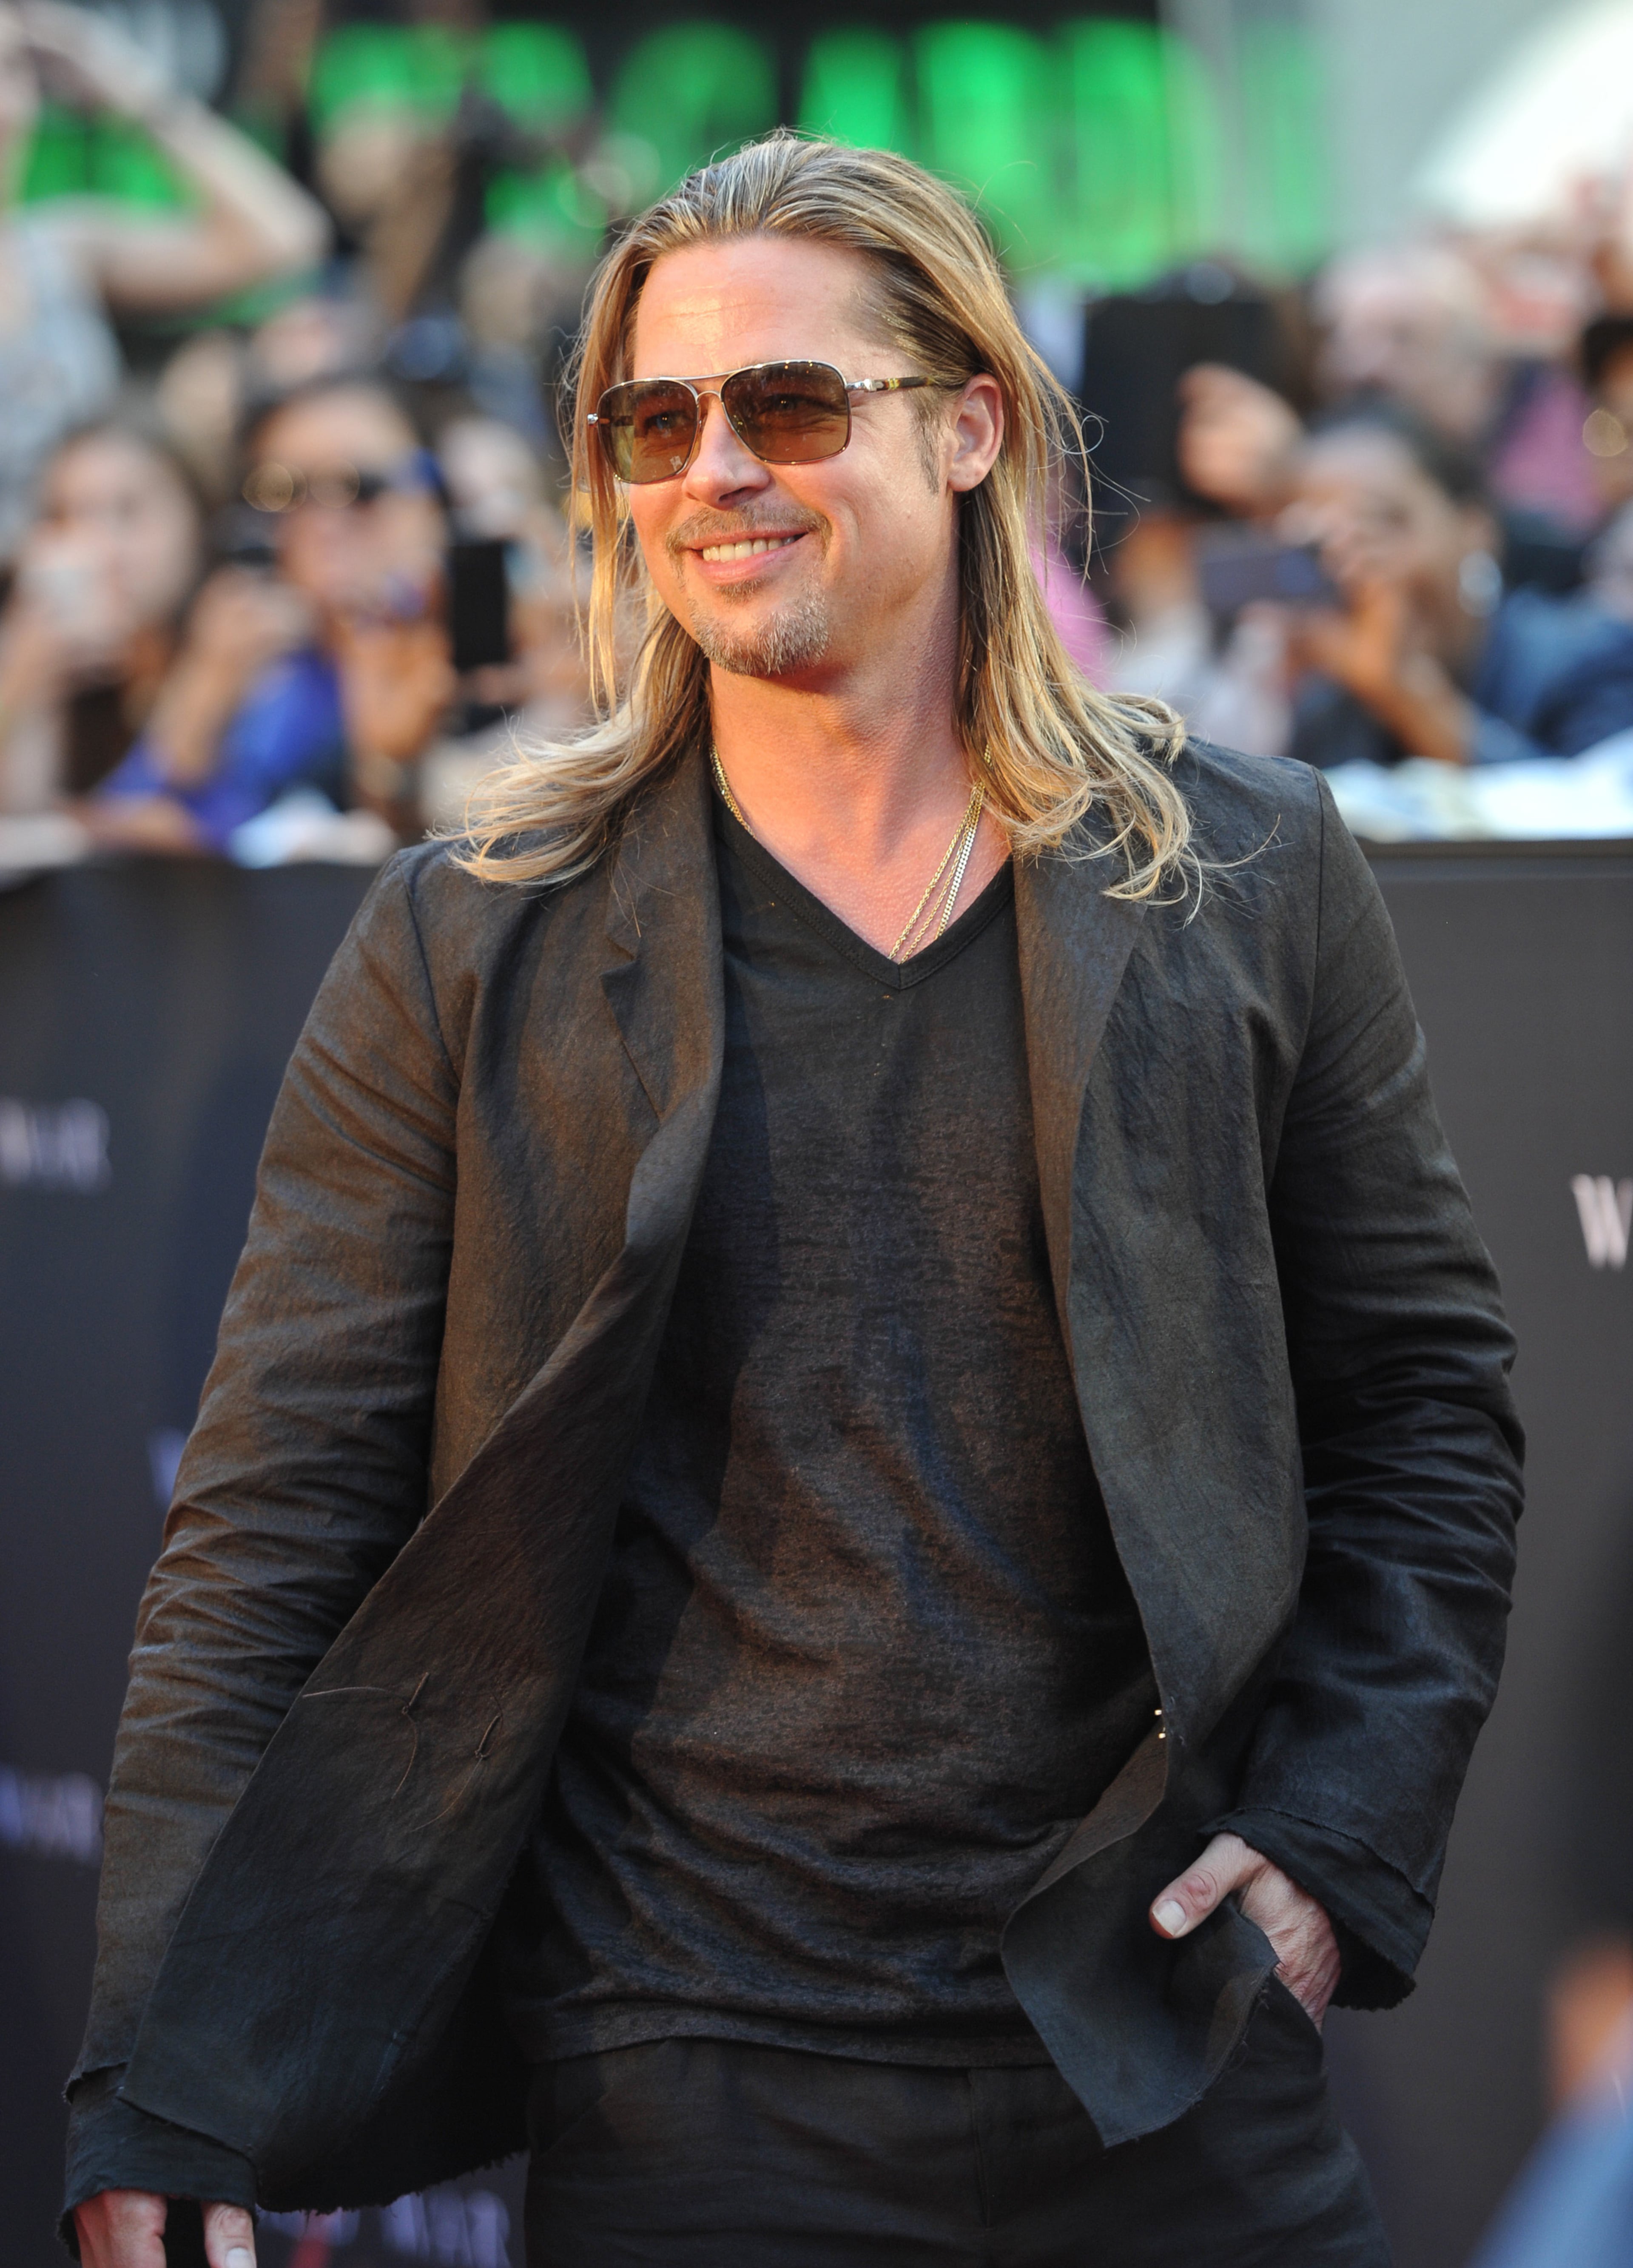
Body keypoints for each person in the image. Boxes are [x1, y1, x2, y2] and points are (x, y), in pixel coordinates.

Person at [66, 133, 1522, 2268]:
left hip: (1169, 2053)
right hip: (689, 2086)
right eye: (655, 422)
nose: (716, 470)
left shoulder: (1241, 869)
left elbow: (1422, 1409)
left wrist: (1328, 1842)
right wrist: (162, 2068)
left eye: (790, 402)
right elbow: (272, 1523)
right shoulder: (474, 937)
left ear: (969, 426)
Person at [0, 0, 326, 562]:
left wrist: (125, 87)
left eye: (10, 70)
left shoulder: (53, 251)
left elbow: (285, 238)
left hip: (104, 584)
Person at [93, 375, 454, 851]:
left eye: (360, 486)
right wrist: (199, 704)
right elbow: (123, 840)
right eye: (282, 490)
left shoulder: (507, 644)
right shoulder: (272, 664)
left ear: (431, 495)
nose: (325, 520)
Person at [1273, 408, 1633, 769]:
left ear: (1475, 529)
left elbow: (1594, 800)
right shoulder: (1327, 702)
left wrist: (1408, 691)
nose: (1354, 567)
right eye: (1320, 547)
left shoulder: (1591, 655)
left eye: (1379, 524)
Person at [0, 420, 204, 819]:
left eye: (128, 511)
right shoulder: (51, 660)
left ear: (195, 517)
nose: (99, 545)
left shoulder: (238, 636)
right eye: (65, 518)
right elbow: (18, 817)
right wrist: (26, 686)